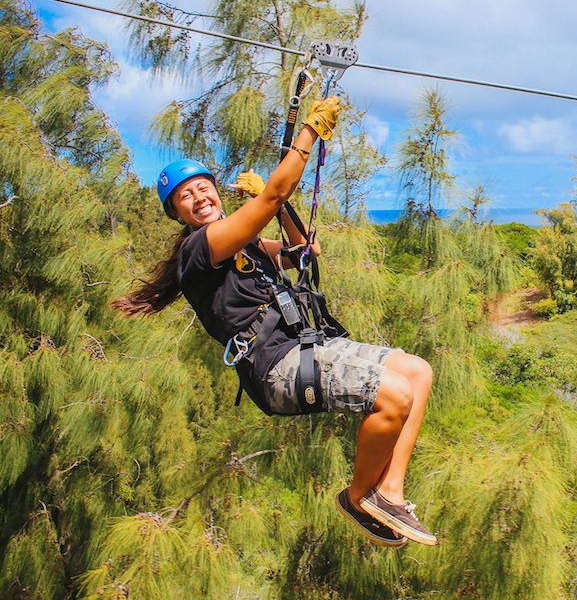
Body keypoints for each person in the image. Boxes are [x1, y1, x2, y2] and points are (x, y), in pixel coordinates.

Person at [112, 98, 436, 548]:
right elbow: (274, 195)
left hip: (305, 345)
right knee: (394, 394)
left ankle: (390, 492)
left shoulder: (244, 244)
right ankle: (359, 497)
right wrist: (307, 135)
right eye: (185, 197)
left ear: (216, 192)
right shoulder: (199, 249)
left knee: (418, 372)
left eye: (203, 188)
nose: (199, 198)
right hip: (274, 366)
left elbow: (305, 252)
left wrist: (276, 207)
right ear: (177, 214)